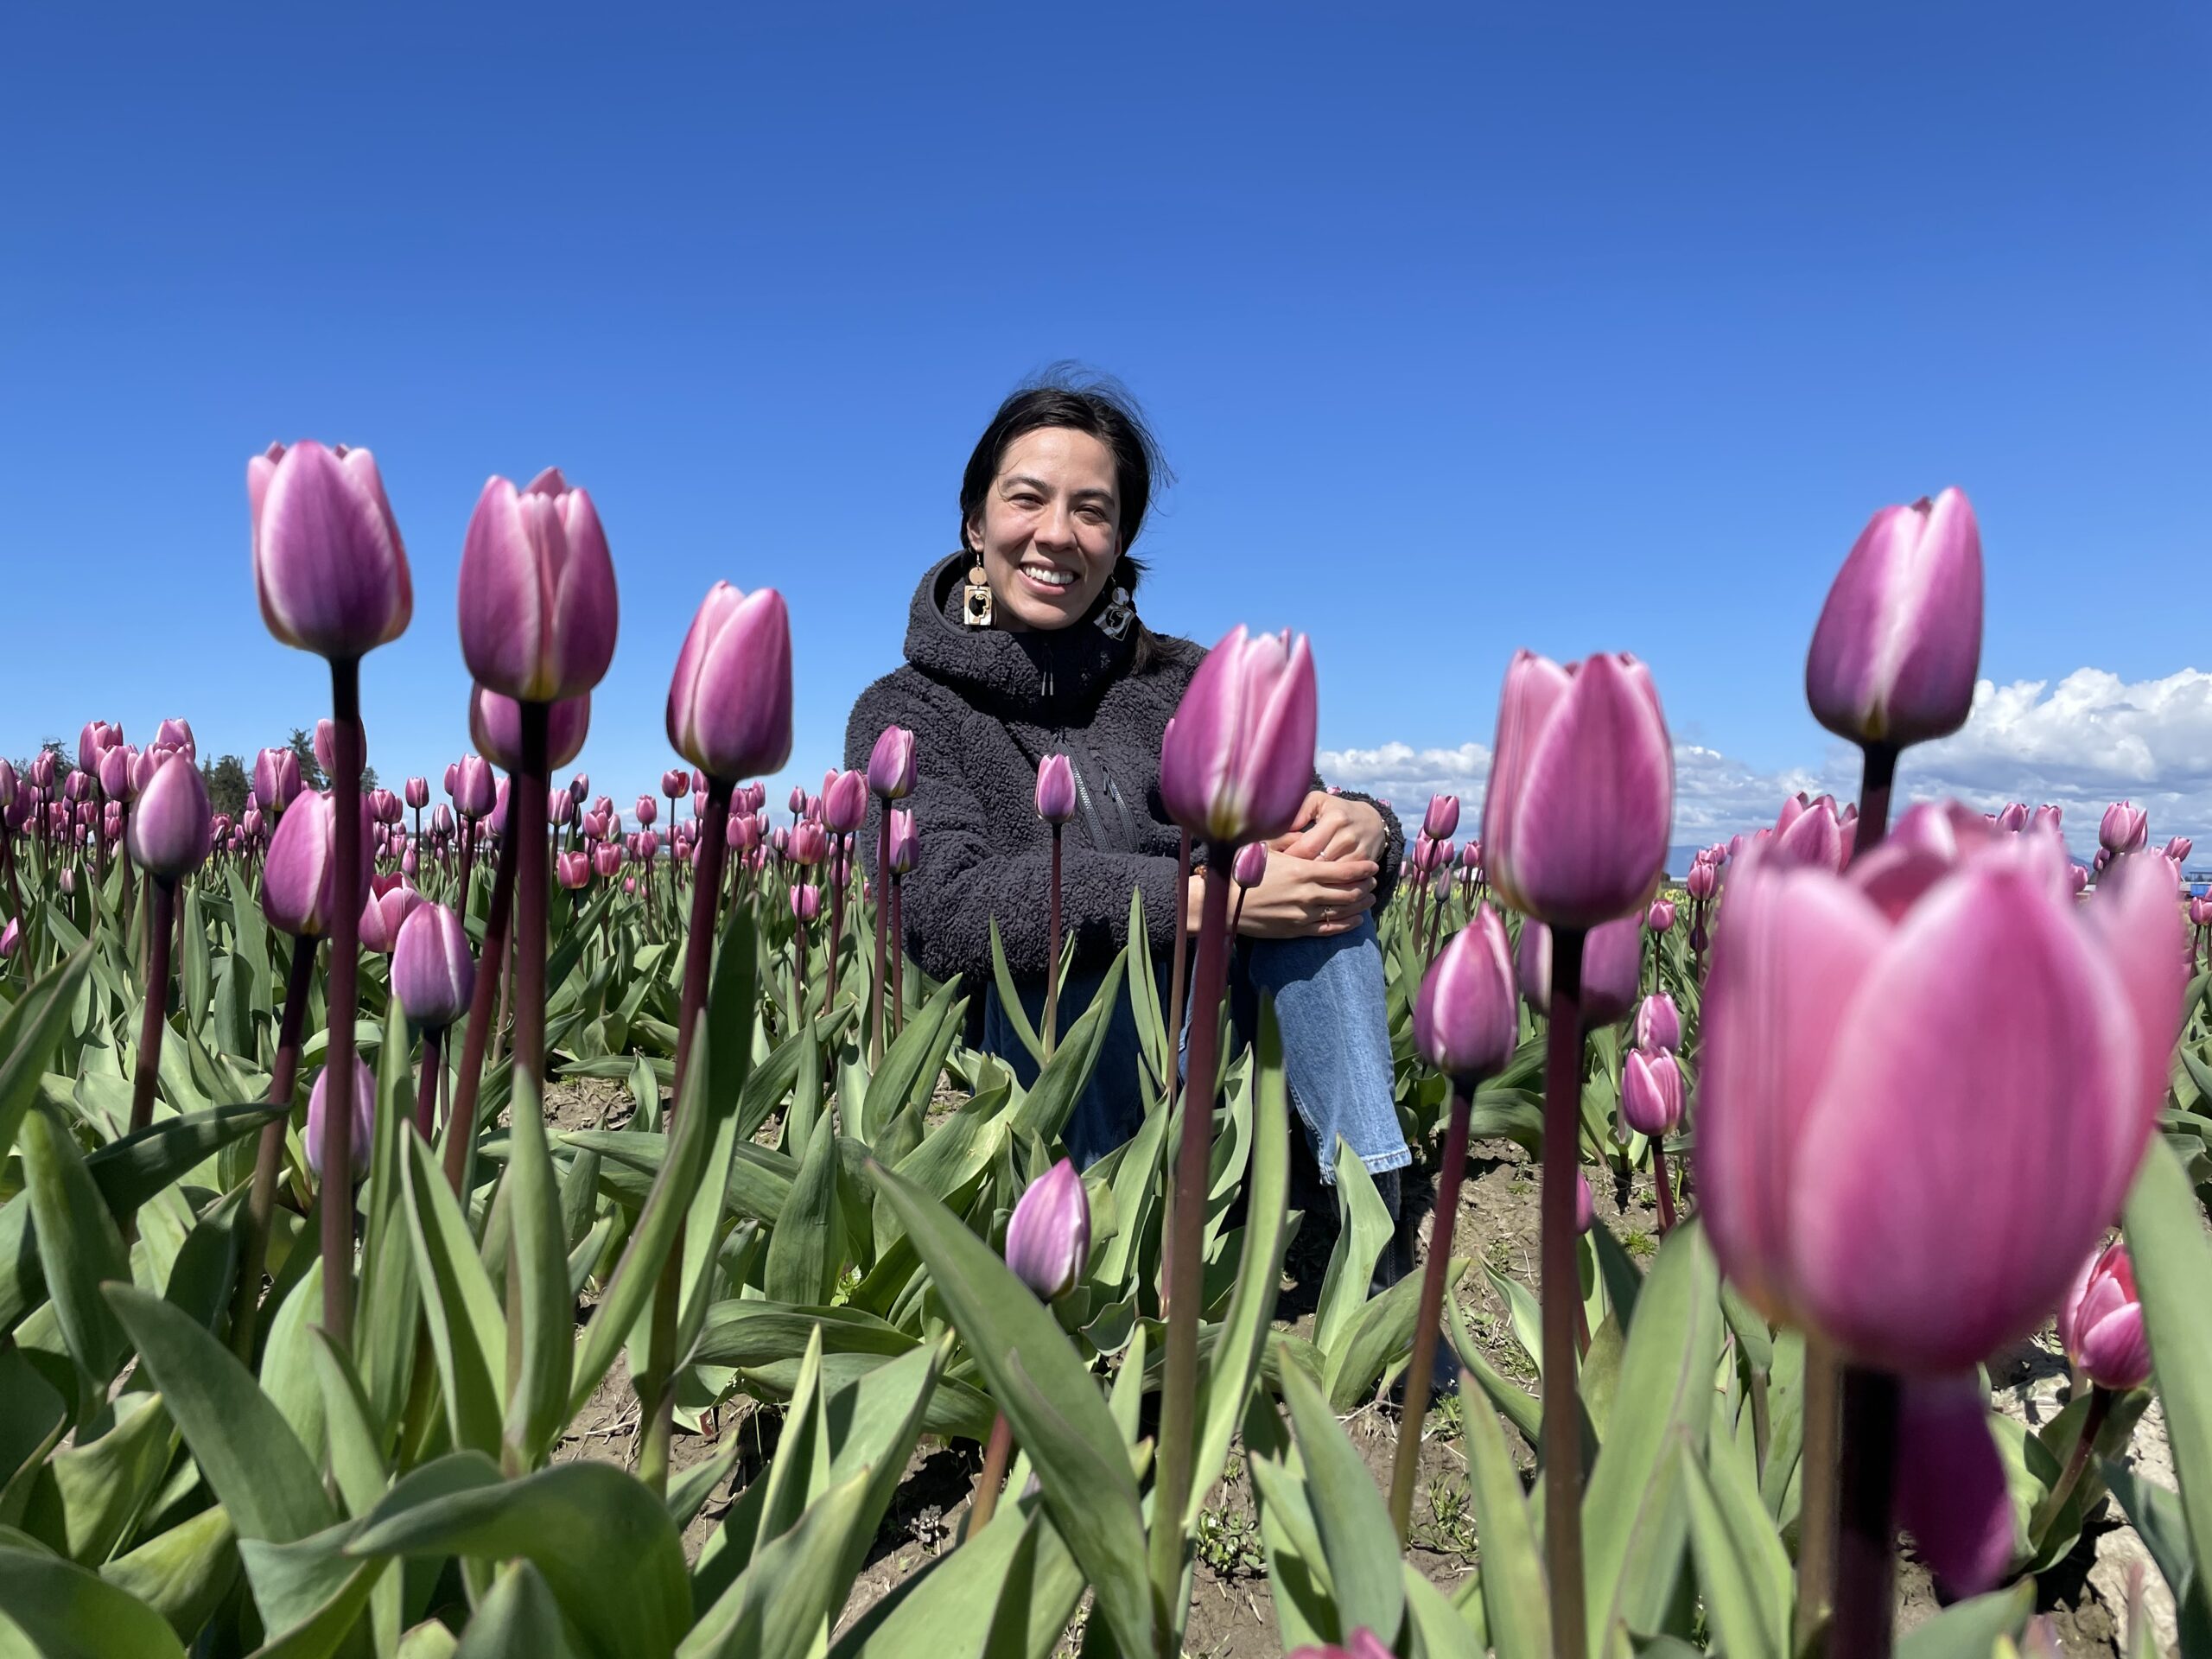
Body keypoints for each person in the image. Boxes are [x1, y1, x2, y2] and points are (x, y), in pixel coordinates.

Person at [843, 373, 1412, 1214]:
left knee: (1321, 913)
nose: (1055, 534)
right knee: (1071, 962)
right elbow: (942, 909)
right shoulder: (908, 709)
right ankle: (1104, 1224)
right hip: (1054, 1047)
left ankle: (1368, 1220)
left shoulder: (1186, 678)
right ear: (975, 522)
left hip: (1207, 1031)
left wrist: (1364, 824)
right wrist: (1199, 902)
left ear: (1118, 539)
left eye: (1092, 510)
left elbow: (1298, 815)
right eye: (1027, 499)